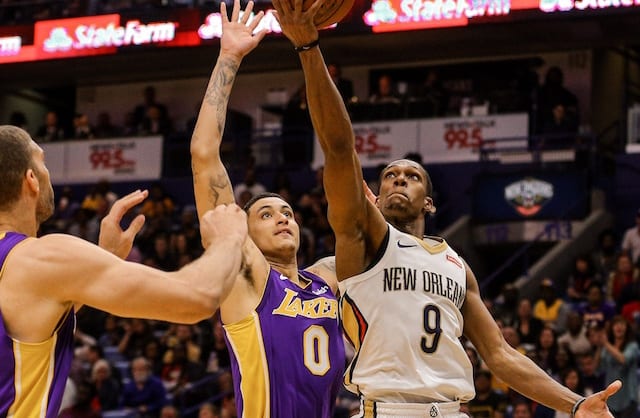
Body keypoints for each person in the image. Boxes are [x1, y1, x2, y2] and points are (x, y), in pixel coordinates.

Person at [270, 2, 622, 417]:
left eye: (412, 176)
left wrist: (576, 403)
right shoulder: (364, 240)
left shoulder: (457, 266)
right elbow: (338, 147)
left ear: (431, 202)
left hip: (453, 410)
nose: (399, 179)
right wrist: (309, 49)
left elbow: (500, 355)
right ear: (374, 198)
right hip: (388, 410)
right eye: (389, 175)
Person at [0, 124, 247, 417]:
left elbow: (29, 313)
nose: (47, 172)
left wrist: (104, 257)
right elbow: (196, 298)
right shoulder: (40, 257)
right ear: (31, 179)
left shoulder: (25, 273)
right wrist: (229, 238)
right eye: (43, 161)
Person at [189, 2, 345, 417]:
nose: (283, 217)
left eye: (288, 213)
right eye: (266, 214)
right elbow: (204, 154)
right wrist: (228, 57)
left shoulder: (326, 279)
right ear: (244, 232)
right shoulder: (249, 278)